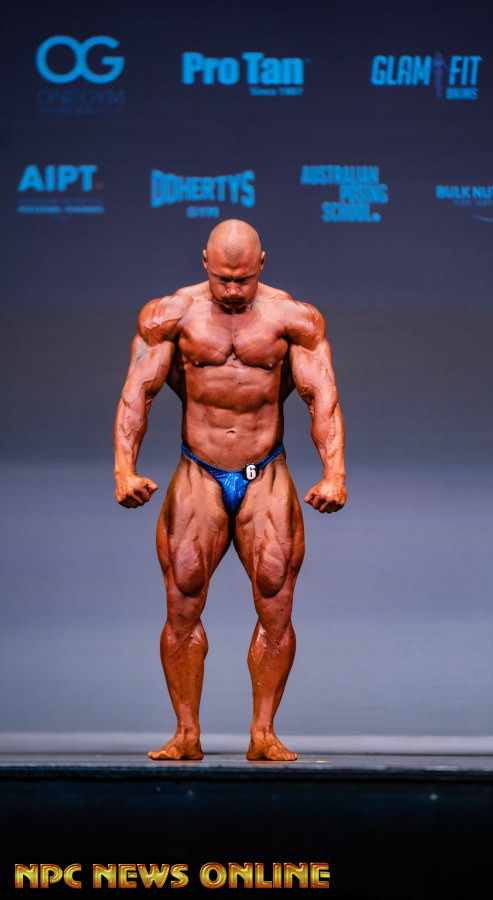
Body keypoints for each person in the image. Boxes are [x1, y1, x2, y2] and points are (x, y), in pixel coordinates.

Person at [114, 219, 346, 761]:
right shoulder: (170, 314)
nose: (234, 289)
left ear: (262, 264)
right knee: (182, 600)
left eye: (243, 279)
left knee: (276, 602)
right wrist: (125, 468)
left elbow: (322, 396)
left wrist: (334, 472)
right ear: (205, 262)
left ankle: (263, 733)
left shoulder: (294, 318)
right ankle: (186, 734)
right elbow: (137, 393)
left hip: (266, 472)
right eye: (223, 278)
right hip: (199, 471)